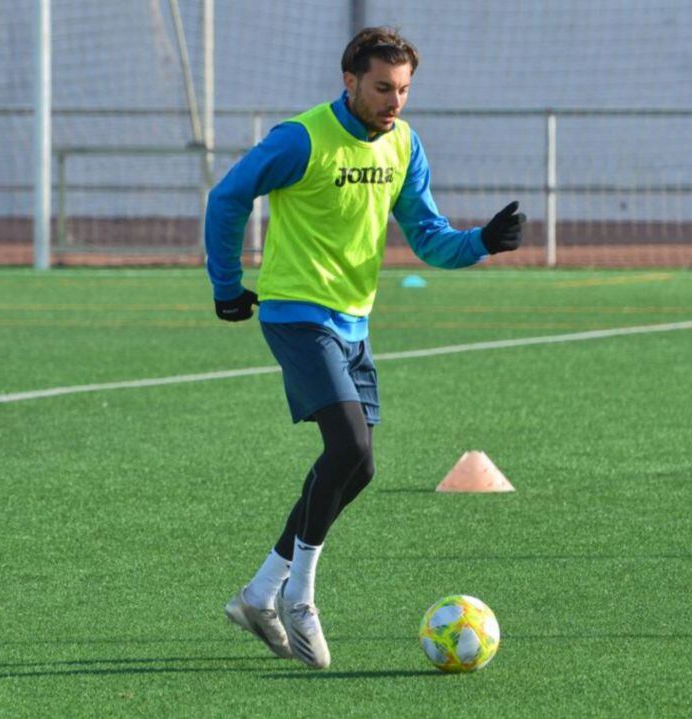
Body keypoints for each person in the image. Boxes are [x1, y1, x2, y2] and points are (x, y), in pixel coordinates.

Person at [204, 26, 525, 670]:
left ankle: (260, 592)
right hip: (297, 313)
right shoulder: (301, 139)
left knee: (361, 467)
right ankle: (301, 597)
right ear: (349, 80)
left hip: (354, 323)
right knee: (346, 446)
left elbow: (430, 237)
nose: (394, 101)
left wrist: (483, 240)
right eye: (382, 87)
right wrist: (227, 284)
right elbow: (228, 196)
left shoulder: (404, 146)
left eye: (403, 89)